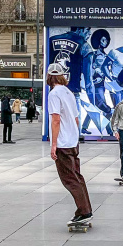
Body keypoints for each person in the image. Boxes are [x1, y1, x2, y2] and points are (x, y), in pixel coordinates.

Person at [47, 62, 93, 225]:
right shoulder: (68, 92)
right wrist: (74, 135)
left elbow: (56, 119)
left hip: (63, 143)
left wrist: (53, 144)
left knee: (69, 179)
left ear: (49, 76)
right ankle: (84, 209)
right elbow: (75, 118)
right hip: (72, 141)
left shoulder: (54, 94)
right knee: (77, 176)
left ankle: (85, 211)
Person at [82, 29, 114, 134]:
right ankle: (109, 131)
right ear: (99, 41)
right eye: (103, 40)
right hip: (95, 85)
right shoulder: (93, 55)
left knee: (94, 106)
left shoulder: (106, 56)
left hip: (102, 84)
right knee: (103, 106)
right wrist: (96, 71)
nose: (105, 42)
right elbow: (89, 69)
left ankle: (84, 127)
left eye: (106, 40)